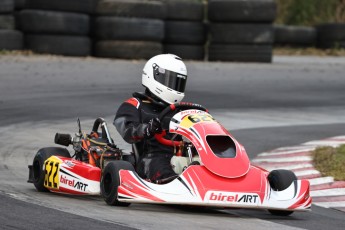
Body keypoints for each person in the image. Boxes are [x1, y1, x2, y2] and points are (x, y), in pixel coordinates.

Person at [114, 54, 188, 183]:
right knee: (159, 164)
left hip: (183, 156)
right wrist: (147, 129)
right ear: (153, 76)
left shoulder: (181, 110)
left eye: (178, 82)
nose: (175, 86)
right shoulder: (135, 104)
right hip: (151, 158)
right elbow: (127, 130)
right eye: (170, 80)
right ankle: (175, 185)